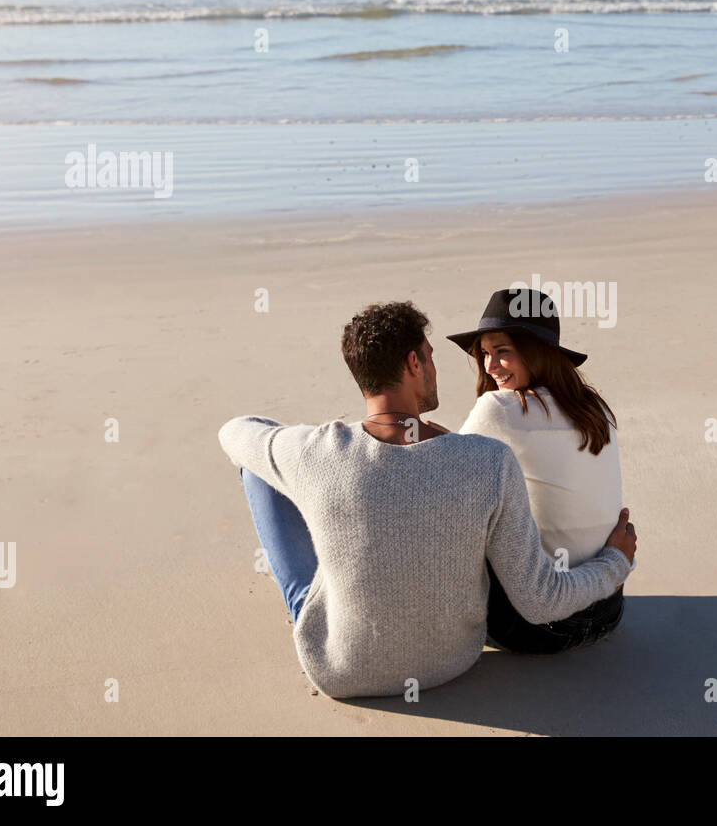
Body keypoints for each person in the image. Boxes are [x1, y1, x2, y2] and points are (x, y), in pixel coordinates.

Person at [218, 301, 636, 699]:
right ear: (414, 363)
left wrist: (302, 452)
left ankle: (309, 607)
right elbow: (537, 596)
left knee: (260, 465)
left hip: (340, 668)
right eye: (431, 357)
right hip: (453, 661)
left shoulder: (314, 450)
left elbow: (233, 432)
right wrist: (614, 563)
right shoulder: (488, 459)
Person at [448, 288, 625, 655]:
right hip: (608, 609)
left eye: (503, 352)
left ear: (537, 353)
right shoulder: (597, 410)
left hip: (533, 626)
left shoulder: (499, 409)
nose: (489, 366)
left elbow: (441, 475)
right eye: (484, 354)